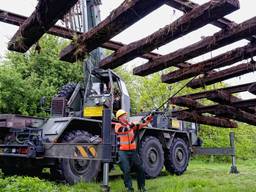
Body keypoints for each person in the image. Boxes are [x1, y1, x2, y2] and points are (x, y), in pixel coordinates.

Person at [114, 109, 153, 192]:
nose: (125, 117)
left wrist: (147, 120)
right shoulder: (117, 126)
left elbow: (141, 125)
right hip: (123, 152)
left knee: (140, 168)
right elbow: (123, 130)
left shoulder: (129, 124)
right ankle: (129, 188)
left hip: (133, 151)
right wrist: (132, 125)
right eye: (123, 116)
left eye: (125, 115)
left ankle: (142, 187)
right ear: (119, 118)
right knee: (126, 169)